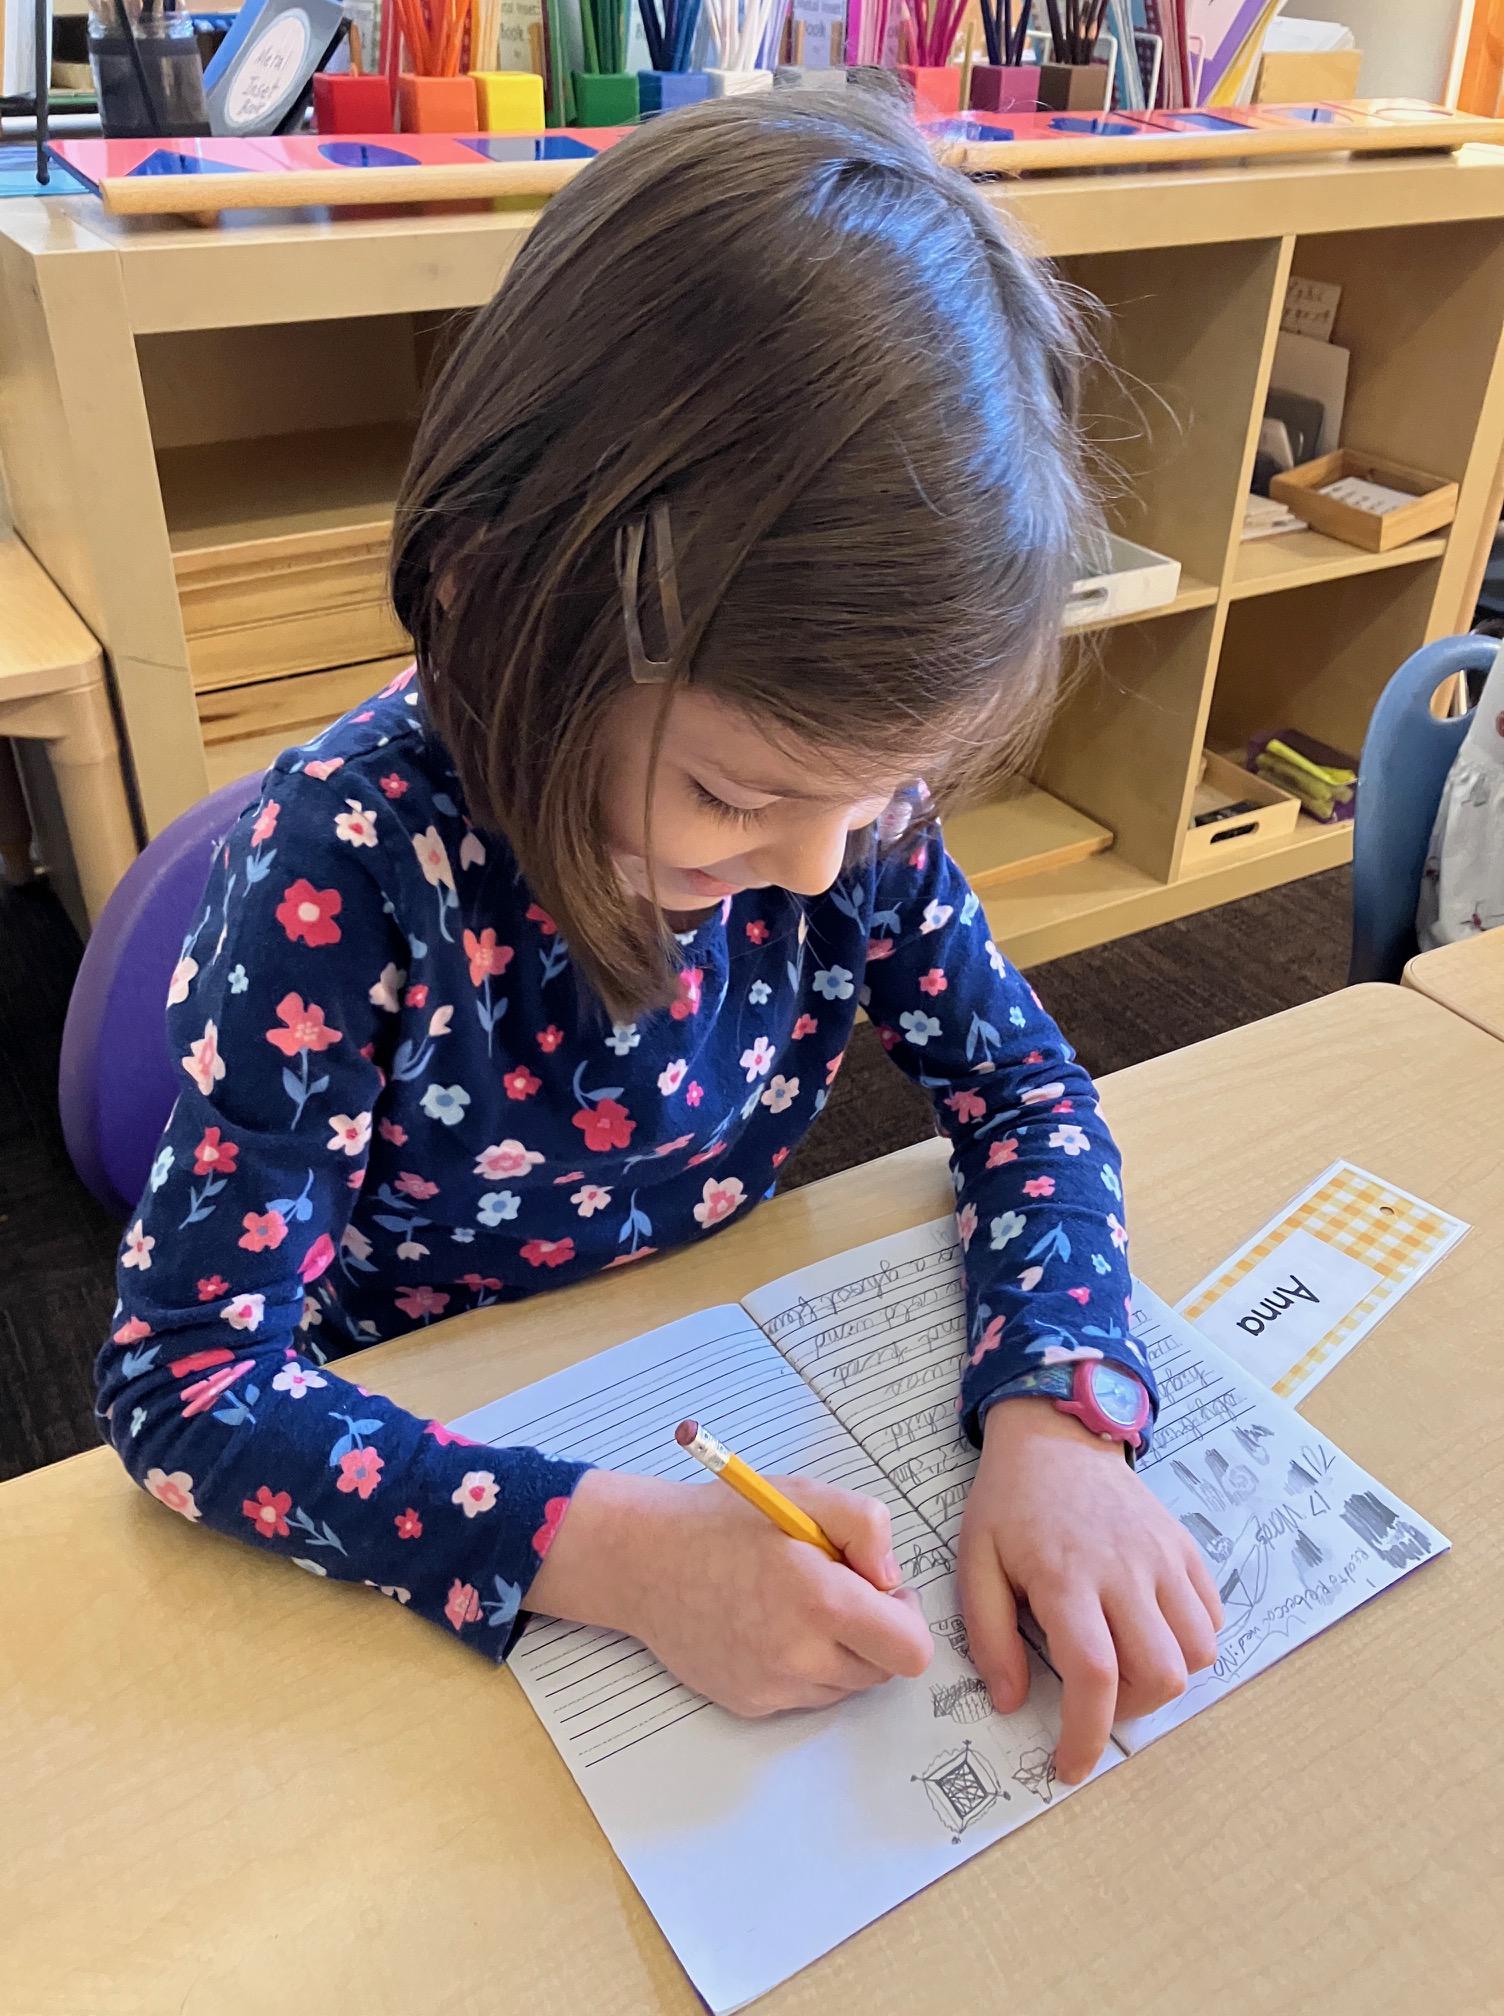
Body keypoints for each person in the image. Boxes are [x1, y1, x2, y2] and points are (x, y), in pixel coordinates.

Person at [97, 91, 1222, 1785]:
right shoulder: (349, 864)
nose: (822, 863)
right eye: (733, 795)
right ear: (491, 598)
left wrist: (1059, 1411)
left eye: (880, 793)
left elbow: (1028, 1095)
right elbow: (185, 1380)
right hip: (427, 1400)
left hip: (700, 1332)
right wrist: (612, 1557)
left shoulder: (843, 822)